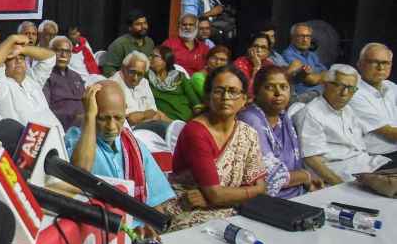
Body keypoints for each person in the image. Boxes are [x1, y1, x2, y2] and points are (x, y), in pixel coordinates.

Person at [66, 82, 176, 238]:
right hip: (100, 233)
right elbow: (80, 172)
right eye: (103, 118)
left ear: (125, 110)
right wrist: (89, 116)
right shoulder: (77, 140)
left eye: (118, 118)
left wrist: (153, 228)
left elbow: (156, 201)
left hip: (138, 234)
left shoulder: (134, 145)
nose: (111, 126)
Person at [166, 65, 267, 231]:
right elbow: (216, 193)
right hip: (190, 211)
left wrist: (216, 198)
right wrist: (220, 197)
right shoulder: (195, 132)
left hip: (233, 209)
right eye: (219, 91)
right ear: (208, 97)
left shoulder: (248, 133)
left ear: (243, 99)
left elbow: (262, 188)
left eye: (233, 91)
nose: (226, 97)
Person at [297, 64, 391, 184]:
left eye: (351, 88)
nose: (345, 93)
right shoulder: (310, 113)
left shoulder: (347, 110)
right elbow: (311, 159)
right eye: (340, 86)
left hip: (369, 165)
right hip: (344, 172)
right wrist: (339, 185)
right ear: (325, 84)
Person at [237, 66, 321, 198]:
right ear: (257, 91)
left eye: (284, 87)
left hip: (297, 193)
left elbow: (295, 163)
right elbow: (270, 177)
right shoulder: (250, 118)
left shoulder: (283, 117)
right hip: (266, 201)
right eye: (270, 87)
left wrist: (307, 183)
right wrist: (306, 176)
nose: (278, 93)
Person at [0, 33, 63, 134]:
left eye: (21, 58)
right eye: (12, 58)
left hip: (59, 138)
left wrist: (21, 49)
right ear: (3, 65)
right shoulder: (0, 87)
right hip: (30, 144)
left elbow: (50, 57)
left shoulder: (32, 79)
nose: (18, 60)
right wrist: (13, 38)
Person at [350, 43, 397, 158]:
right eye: (374, 62)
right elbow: (389, 133)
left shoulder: (391, 86)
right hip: (375, 157)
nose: (381, 68)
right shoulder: (352, 93)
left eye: (385, 63)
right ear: (360, 65)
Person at [110, 51, 172, 137]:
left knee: (173, 128)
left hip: (147, 124)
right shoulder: (113, 85)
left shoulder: (144, 82)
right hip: (129, 131)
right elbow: (129, 120)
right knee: (165, 128)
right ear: (123, 68)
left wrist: (142, 115)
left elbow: (153, 110)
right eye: (132, 72)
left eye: (139, 74)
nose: (135, 78)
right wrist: (147, 114)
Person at [42, 36, 87, 131]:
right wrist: (74, 118)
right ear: (50, 52)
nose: (63, 55)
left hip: (85, 123)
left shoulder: (76, 76)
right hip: (62, 126)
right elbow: (45, 110)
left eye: (67, 52)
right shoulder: (45, 76)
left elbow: (86, 102)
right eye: (59, 51)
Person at [147, 46, 201, 121]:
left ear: (165, 61)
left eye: (154, 56)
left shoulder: (179, 76)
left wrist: (196, 120)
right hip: (162, 119)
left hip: (185, 118)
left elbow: (193, 99)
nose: (149, 58)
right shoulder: (145, 77)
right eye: (150, 55)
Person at [102, 9, 155, 77]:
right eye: (138, 24)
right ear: (130, 27)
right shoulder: (119, 44)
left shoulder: (150, 42)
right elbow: (108, 70)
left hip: (145, 83)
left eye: (145, 23)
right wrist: (123, 80)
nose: (143, 27)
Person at [282, 22, 326, 98]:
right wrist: (320, 76)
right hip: (304, 97)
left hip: (320, 94)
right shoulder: (288, 54)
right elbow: (311, 80)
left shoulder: (312, 55)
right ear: (292, 38)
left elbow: (327, 73)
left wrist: (318, 76)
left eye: (308, 36)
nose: (305, 40)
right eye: (301, 36)